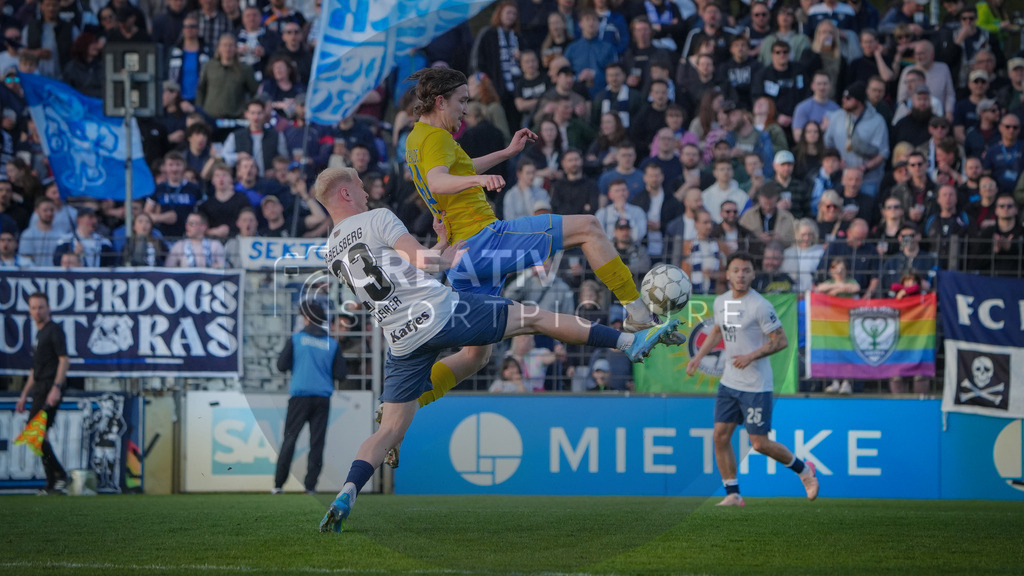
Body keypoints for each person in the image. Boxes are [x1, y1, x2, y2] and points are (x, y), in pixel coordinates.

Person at [313, 166, 685, 532]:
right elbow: (424, 264)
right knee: (535, 318)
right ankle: (629, 340)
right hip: (443, 314)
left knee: (390, 430)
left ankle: (348, 491)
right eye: (360, 187)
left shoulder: (331, 250)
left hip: (401, 338)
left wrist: (440, 244)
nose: (366, 193)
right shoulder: (378, 217)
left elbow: (397, 279)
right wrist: (445, 256)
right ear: (345, 193)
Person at [686, 252, 820, 507]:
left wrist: (751, 356)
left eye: (746, 270)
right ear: (727, 274)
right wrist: (698, 358)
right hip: (729, 382)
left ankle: (805, 472)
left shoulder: (760, 306)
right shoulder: (721, 302)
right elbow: (717, 330)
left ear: (753, 274)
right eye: (736, 270)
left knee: (758, 444)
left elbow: (781, 340)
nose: (741, 275)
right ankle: (733, 494)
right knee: (720, 435)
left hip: (756, 385)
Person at [272, 299, 347, 495]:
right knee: (317, 442)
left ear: (306, 319)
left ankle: (278, 485)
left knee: (289, 439)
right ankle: (310, 486)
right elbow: (341, 374)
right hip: (322, 398)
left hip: (299, 395)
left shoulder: (296, 339)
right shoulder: (332, 343)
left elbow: (281, 366)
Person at [15, 292, 70, 494]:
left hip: (49, 387)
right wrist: (23, 395)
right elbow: (34, 370)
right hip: (40, 387)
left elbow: (64, 360)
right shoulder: (39, 334)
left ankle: (60, 476)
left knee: (35, 433)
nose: (37, 311)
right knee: (39, 435)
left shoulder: (54, 331)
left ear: (49, 309)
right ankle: (52, 483)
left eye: (41, 307)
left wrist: (56, 388)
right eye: (34, 308)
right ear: (29, 311)